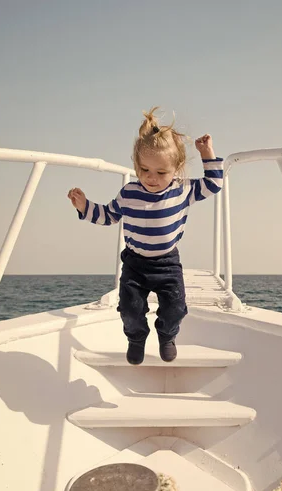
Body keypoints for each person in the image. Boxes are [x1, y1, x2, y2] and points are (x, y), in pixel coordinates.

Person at [68, 107, 223, 365]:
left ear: (177, 168)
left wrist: (207, 154)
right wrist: (84, 206)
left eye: (161, 172)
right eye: (144, 170)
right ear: (136, 165)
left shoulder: (183, 190)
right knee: (130, 310)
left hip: (167, 264)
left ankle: (167, 336)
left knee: (175, 309)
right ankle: (137, 339)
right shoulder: (129, 193)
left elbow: (213, 184)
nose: (151, 178)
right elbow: (108, 215)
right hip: (135, 263)